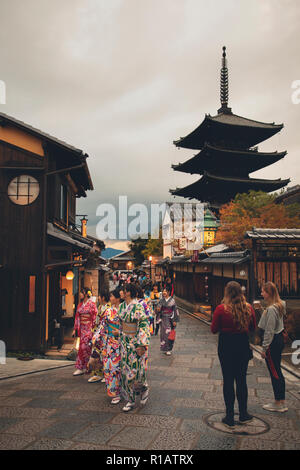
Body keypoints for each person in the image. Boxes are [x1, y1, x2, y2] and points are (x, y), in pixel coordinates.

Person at [211, 281, 256, 429]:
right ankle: (243, 414)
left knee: (228, 380)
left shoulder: (220, 309)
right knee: (242, 380)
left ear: (227, 292)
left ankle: (229, 416)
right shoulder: (248, 308)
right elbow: (253, 327)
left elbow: (213, 329)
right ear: (241, 292)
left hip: (226, 346)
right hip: (242, 346)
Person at [118, 283, 150, 412]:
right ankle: (130, 400)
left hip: (135, 342)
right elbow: (120, 324)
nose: (121, 292)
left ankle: (144, 388)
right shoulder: (121, 306)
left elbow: (143, 324)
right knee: (125, 371)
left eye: (123, 291)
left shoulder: (138, 306)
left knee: (137, 370)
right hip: (124, 342)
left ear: (128, 293)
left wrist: (142, 344)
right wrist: (119, 334)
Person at [258, 282, 288, 413]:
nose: (261, 294)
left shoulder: (271, 309)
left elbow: (269, 330)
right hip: (279, 339)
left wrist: (264, 349)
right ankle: (281, 400)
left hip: (273, 342)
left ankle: (278, 402)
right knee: (278, 370)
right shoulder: (281, 304)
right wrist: (261, 310)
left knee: (274, 371)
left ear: (268, 293)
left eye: (263, 291)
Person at [88, 289, 122, 404]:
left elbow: (128, 326)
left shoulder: (123, 310)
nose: (110, 298)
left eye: (112, 296)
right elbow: (102, 326)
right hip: (109, 343)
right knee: (109, 367)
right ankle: (114, 393)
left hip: (121, 342)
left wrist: (121, 332)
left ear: (117, 298)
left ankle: (122, 391)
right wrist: (95, 337)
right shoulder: (108, 311)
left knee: (119, 368)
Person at [72, 287, 98, 376]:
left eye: (82, 292)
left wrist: (94, 329)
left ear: (86, 294)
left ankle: (87, 367)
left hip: (89, 328)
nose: (80, 294)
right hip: (82, 328)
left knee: (86, 347)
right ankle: (81, 367)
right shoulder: (80, 304)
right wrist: (75, 329)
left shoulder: (91, 304)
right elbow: (77, 317)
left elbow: (95, 316)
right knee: (82, 347)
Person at [87, 291, 110, 383]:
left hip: (105, 332)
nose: (99, 298)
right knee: (96, 353)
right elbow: (96, 321)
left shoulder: (109, 308)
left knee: (104, 354)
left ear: (103, 297)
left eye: (100, 296)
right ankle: (97, 373)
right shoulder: (100, 307)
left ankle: (105, 373)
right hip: (98, 331)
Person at [156, 287, 179, 356]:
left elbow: (175, 310)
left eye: (165, 291)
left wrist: (175, 320)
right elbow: (157, 310)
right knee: (163, 334)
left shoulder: (172, 300)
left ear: (168, 292)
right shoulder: (161, 300)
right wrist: (157, 310)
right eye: (163, 291)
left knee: (169, 333)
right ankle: (165, 348)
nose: (164, 293)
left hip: (170, 319)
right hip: (163, 318)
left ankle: (169, 348)